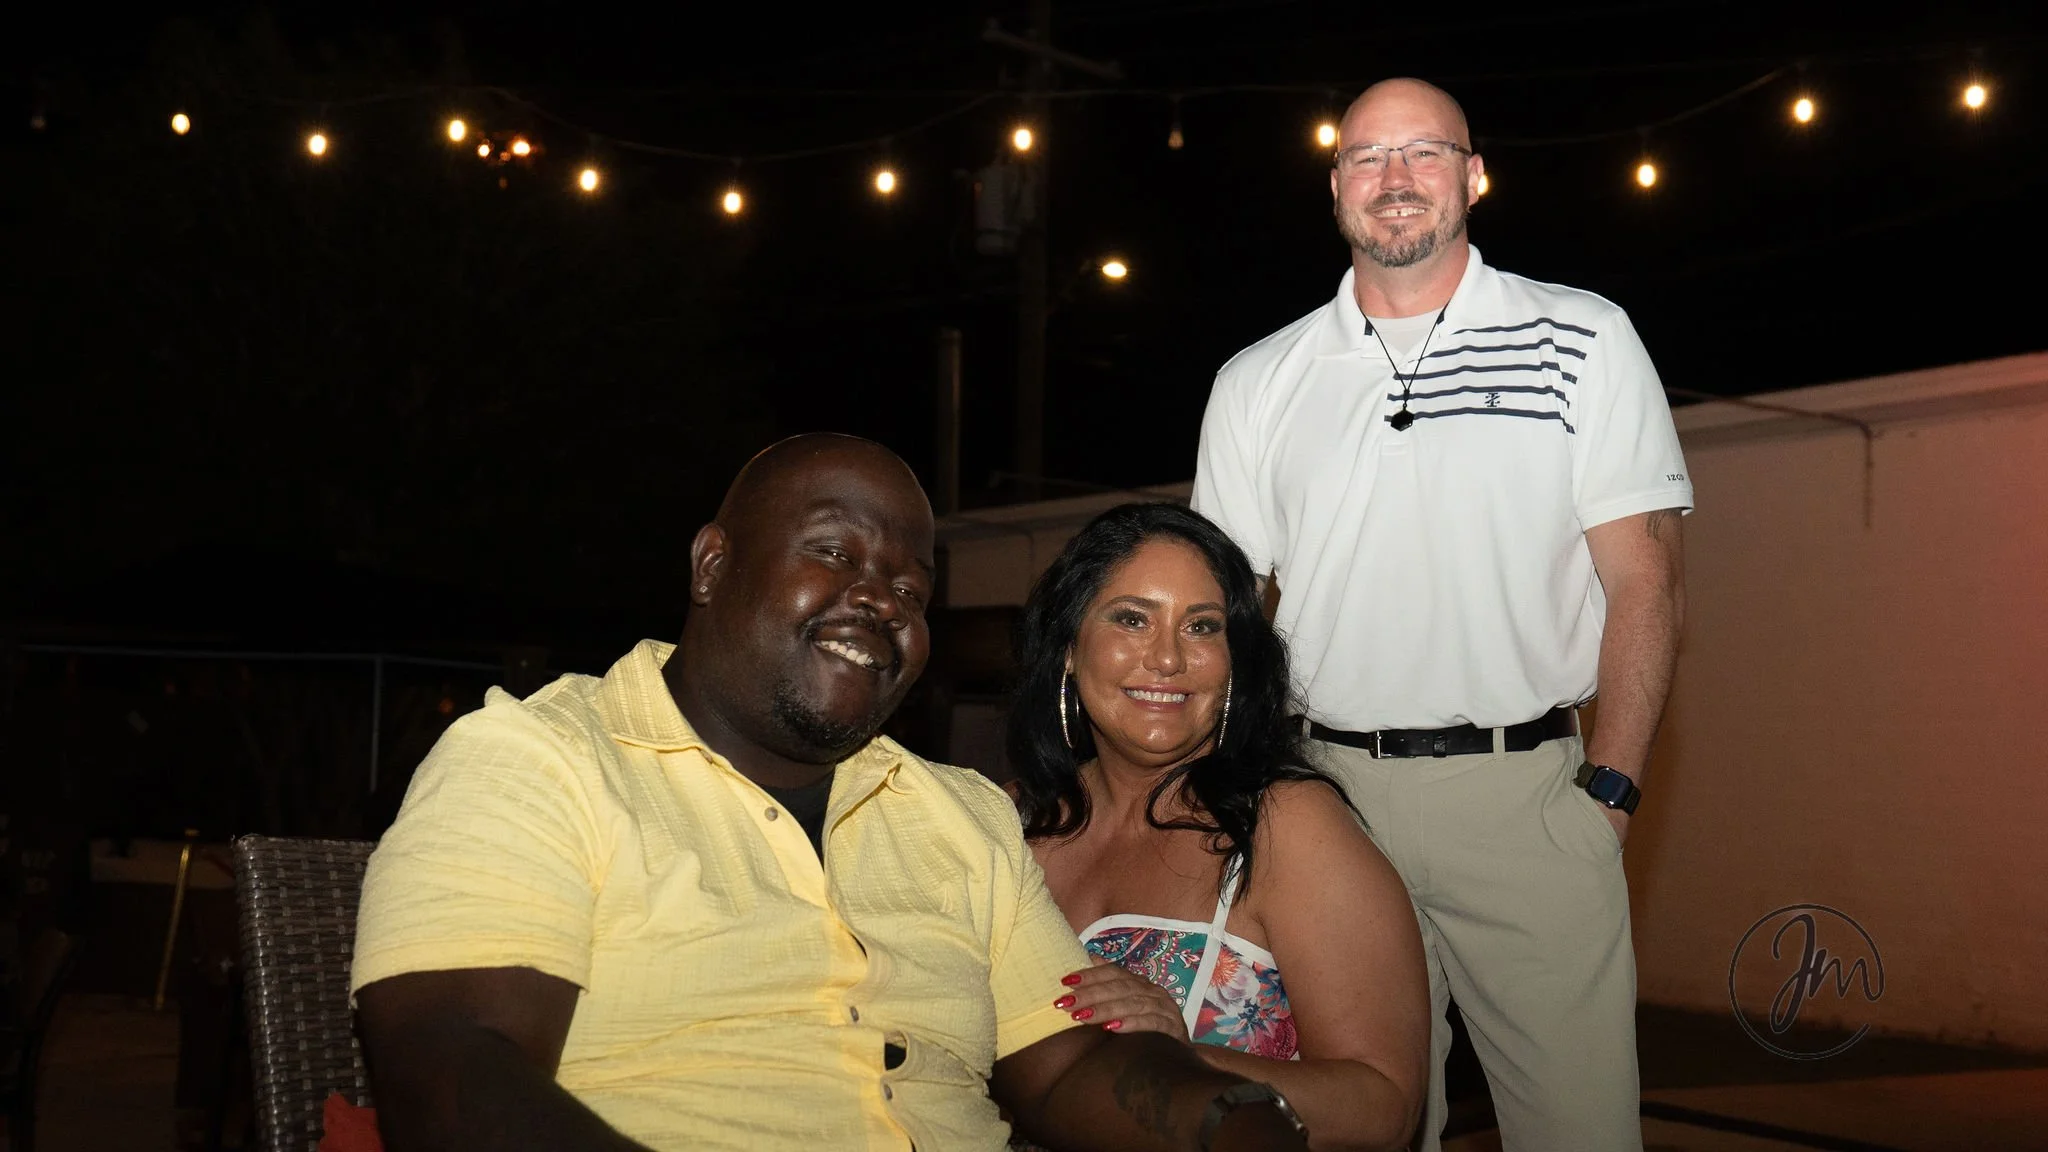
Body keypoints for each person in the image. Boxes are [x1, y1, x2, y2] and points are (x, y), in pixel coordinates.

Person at [351, 435, 1313, 1152]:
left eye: (909, 586)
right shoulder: (537, 761)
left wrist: (1232, 1118)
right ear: (713, 564)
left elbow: (1067, 1065)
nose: (881, 599)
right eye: (836, 554)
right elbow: (453, 1066)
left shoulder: (962, 816)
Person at [1191, 78, 1692, 1152]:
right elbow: (1218, 618)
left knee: (1580, 1134)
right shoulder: (1256, 381)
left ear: (1472, 175)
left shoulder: (1583, 339)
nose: (1395, 179)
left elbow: (1644, 582)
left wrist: (1602, 795)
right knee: (1354, 1129)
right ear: (1334, 190)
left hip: (1526, 800)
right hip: (1322, 804)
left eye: (1424, 153)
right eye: (1366, 158)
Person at [1007, 502, 1429, 1151]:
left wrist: (1183, 1059)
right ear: (1069, 647)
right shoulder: (1007, 825)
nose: (1169, 658)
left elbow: (1384, 1106)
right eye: (1131, 618)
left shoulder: (1285, 827)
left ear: (1235, 662)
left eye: (1202, 627)